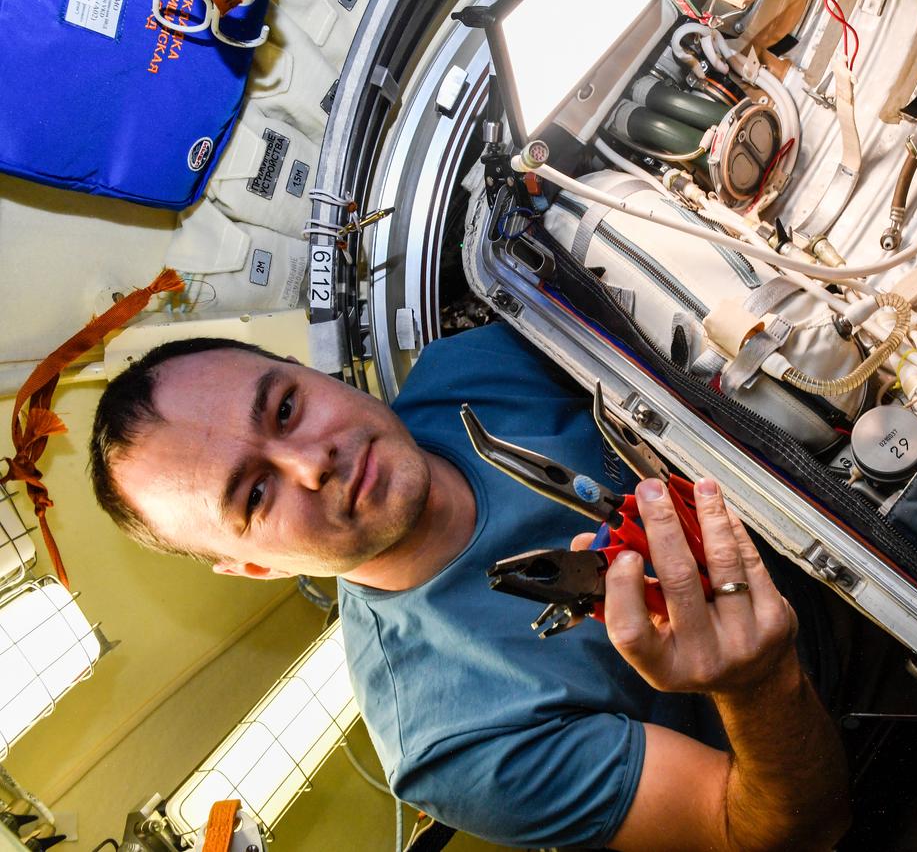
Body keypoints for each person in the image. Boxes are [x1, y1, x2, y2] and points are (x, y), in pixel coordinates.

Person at [88, 321, 851, 850]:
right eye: (254, 496)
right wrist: (758, 683)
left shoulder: (479, 356)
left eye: (286, 407)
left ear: (313, 373)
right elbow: (783, 834)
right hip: (859, 686)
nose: (309, 462)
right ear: (254, 567)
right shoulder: (447, 741)